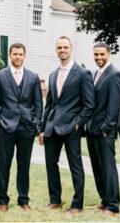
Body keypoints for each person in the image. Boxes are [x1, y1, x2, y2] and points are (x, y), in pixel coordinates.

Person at [40, 36, 94, 214]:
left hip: (72, 127)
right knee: (50, 164)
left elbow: (89, 104)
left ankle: (77, 204)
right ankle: (55, 200)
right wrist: (42, 128)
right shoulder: (53, 74)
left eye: (65, 47)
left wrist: (78, 124)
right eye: (59, 47)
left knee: (75, 166)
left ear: (71, 49)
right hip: (52, 127)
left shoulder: (83, 73)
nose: (62, 50)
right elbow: (50, 104)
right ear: (56, 50)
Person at [0, 43, 41, 212]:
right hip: (6, 127)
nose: (18, 57)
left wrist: (35, 123)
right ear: (9, 55)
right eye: (15, 54)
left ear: (24, 56)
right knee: (3, 164)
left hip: (26, 128)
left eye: (20, 54)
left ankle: (23, 199)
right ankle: (2, 200)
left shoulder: (33, 77)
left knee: (24, 165)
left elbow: (38, 103)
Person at [86, 43, 120, 216]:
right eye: (96, 54)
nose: (99, 57)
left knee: (108, 167)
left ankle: (113, 205)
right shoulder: (95, 74)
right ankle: (104, 200)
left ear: (109, 54)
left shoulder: (114, 75)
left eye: (102, 54)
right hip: (92, 129)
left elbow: (115, 105)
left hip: (104, 130)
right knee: (97, 167)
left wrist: (106, 128)